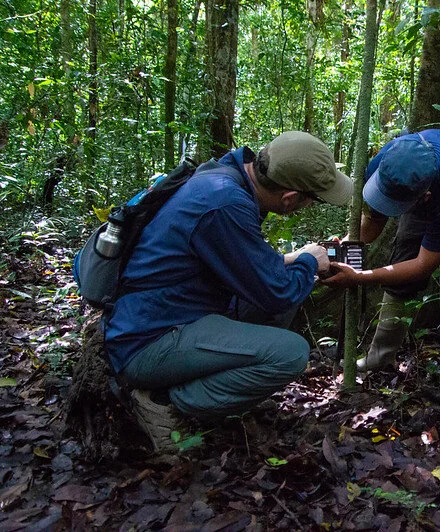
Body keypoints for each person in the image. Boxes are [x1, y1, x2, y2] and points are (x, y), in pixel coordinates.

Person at [104, 131, 353, 450]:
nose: (308, 207)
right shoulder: (225, 203)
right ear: (290, 198)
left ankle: (198, 390)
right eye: (312, 199)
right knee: (290, 354)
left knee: (287, 285)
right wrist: (308, 262)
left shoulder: (226, 176)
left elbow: (237, 261)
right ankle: (163, 402)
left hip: (170, 315)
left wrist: (295, 260)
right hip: (147, 340)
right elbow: (278, 292)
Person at [321, 129, 440, 405]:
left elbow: (423, 265)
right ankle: (381, 354)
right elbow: (375, 221)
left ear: (425, 197)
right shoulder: (387, 164)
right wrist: (346, 244)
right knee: (403, 254)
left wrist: (361, 277)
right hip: (431, 183)